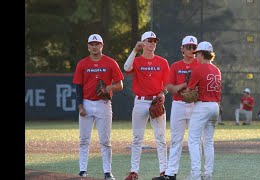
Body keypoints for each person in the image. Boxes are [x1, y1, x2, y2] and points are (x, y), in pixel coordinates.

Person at [73, 34, 124, 180]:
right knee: (84, 139)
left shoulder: (110, 62)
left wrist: (108, 88)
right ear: (88, 46)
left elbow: (120, 85)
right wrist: (80, 106)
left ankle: (107, 172)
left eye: (97, 44)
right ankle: (82, 170)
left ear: (102, 45)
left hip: (104, 104)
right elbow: (78, 86)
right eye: (92, 44)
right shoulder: (82, 64)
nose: (94, 46)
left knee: (105, 141)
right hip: (87, 103)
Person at [152, 35, 204, 180]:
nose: (191, 50)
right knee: (176, 140)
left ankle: (196, 173)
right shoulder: (175, 66)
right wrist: (185, 85)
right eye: (188, 47)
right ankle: (170, 173)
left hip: (195, 105)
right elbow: (169, 87)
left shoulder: (200, 65)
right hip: (178, 105)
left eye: (194, 47)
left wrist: (187, 88)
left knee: (196, 140)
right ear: (182, 48)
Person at [123, 31, 170, 180]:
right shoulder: (136, 61)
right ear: (143, 43)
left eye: (154, 40)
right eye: (149, 40)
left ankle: (164, 171)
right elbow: (126, 67)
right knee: (137, 138)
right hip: (141, 101)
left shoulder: (162, 62)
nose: (152, 43)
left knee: (161, 138)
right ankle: (134, 172)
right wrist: (134, 50)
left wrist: (163, 93)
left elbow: (167, 85)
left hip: (156, 101)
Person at [183, 41, 222, 180]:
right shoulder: (217, 70)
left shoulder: (198, 69)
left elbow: (188, 91)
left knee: (193, 140)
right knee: (208, 141)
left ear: (201, 53)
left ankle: (195, 174)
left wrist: (186, 88)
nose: (196, 56)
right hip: (215, 106)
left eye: (197, 53)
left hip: (203, 106)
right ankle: (208, 174)